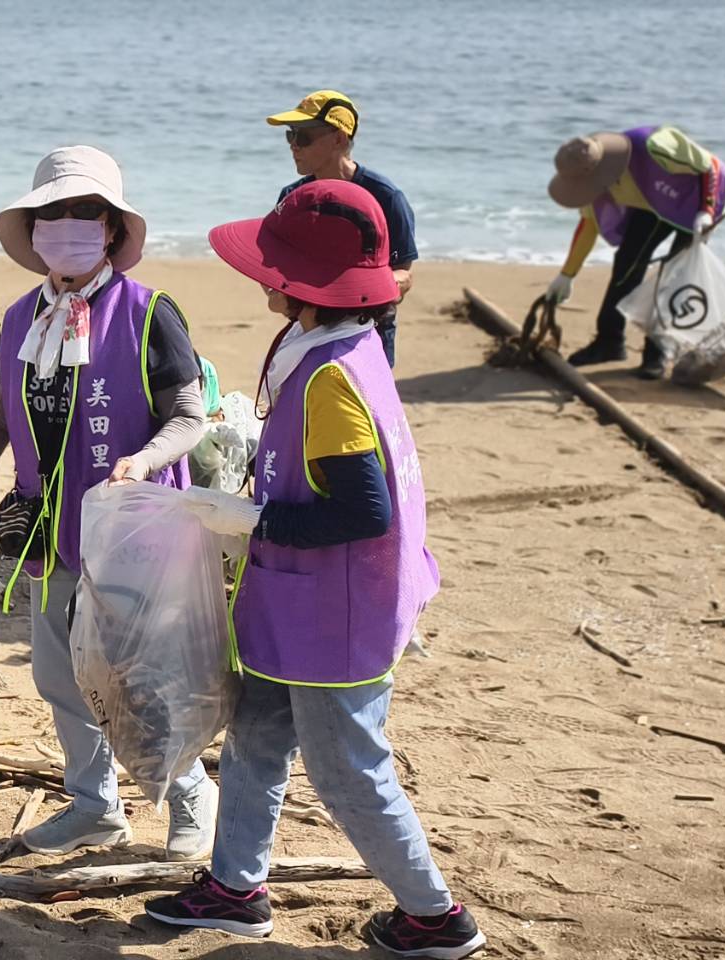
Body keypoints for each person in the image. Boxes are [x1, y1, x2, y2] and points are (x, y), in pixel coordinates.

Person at [144, 181, 486, 959]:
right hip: (298, 604)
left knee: (349, 771)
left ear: (304, 284)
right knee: (257, 736)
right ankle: (235, 889)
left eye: (276, 265)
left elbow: (365, 509)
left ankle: (436, 917)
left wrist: (254, 519)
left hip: (336, 613)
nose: (263, 275)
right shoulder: (348, 347)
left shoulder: (331, 376)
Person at [0, 145, 217, 859]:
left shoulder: (148, 313)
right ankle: (95, 805)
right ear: (32, 233)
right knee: (60, 676)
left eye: (82, 211)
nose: (65, 225)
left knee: (139, 675)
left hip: (134, 533)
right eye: (49, 214)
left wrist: (144, 459)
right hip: (48, 533)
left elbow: (188, 416)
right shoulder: (21, 316)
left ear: (113, 229)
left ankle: (190, 795)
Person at [543, 125, 725, 378]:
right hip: (652, 201)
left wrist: (706, 210)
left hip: (699, 198)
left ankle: (657, 354)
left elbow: (710, 166)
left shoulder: (653, 145)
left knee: (673, 275)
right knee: (627, 263)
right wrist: (567, 275)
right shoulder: (587, 178)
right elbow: (588, 227)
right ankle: (609, 342)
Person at [268, 90, 417, 368]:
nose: (293, 146)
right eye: (290, 135)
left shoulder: (386, 197)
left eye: (303, 136)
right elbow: (271, 268)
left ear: (339, 138)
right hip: (305, 331)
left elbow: (403, 274)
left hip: (366, 334)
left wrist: (353, 296)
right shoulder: (293, 199)